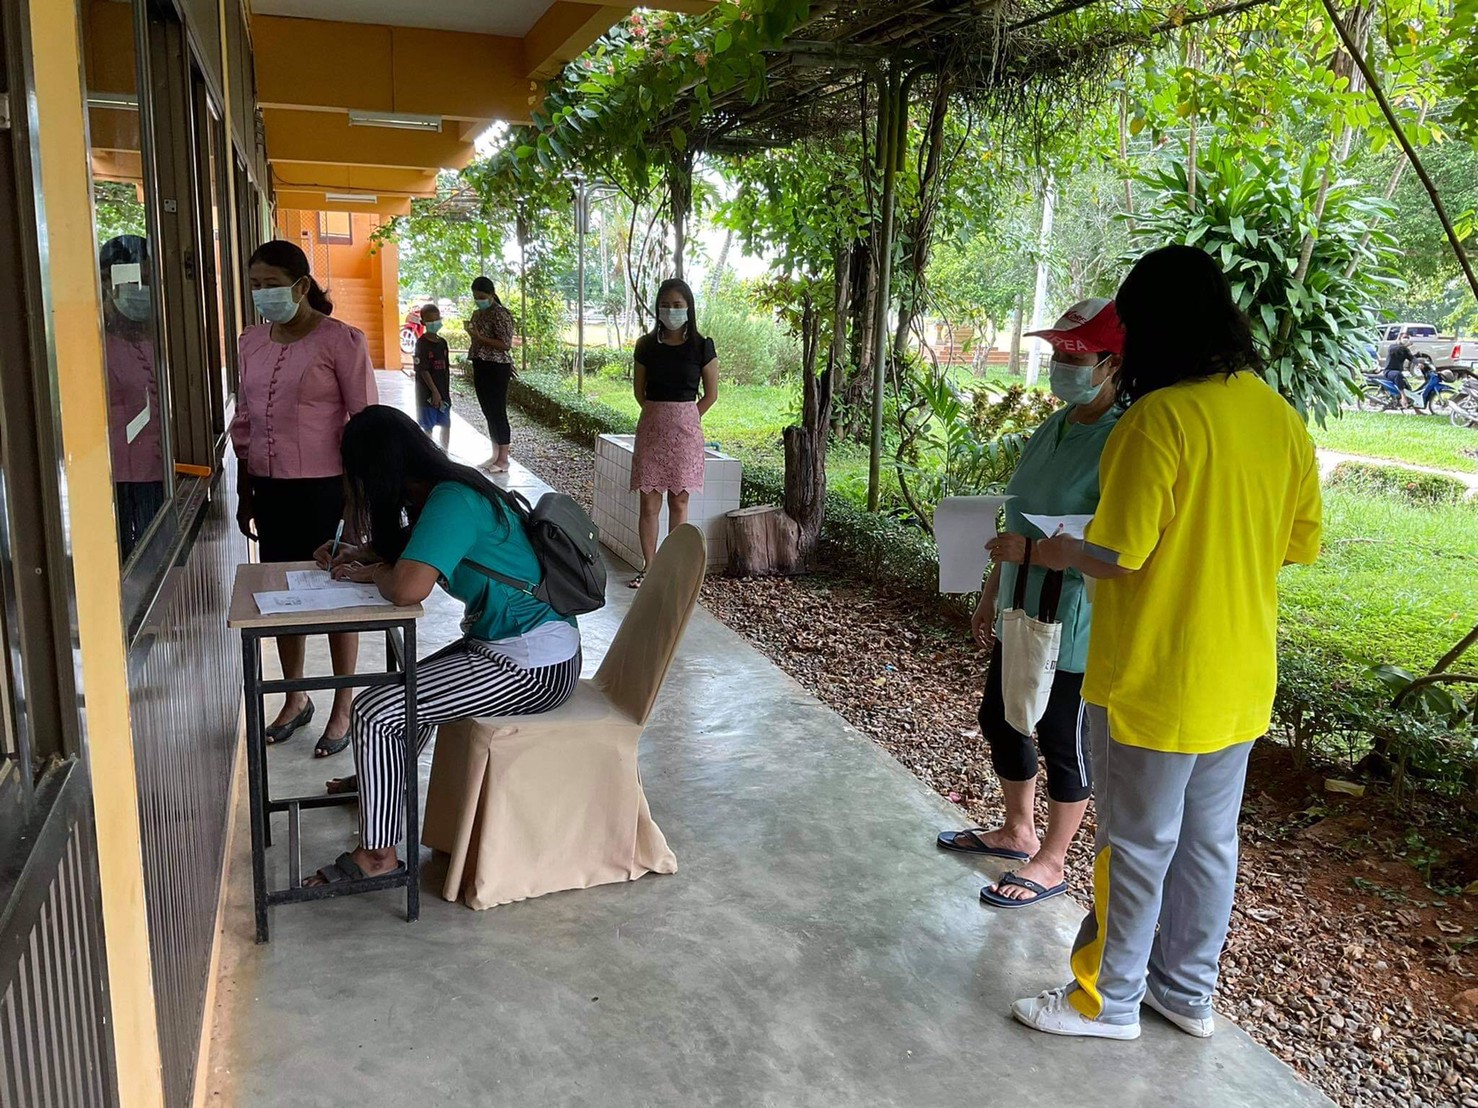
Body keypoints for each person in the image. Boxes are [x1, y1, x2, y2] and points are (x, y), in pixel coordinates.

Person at [1011, 245, 1322, 1041]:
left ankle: (1105, 1000)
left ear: (1154, 328)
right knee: (1210, 845)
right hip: (1239, 677)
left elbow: (1119, 555)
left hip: (1153, 678)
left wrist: (1060, 551)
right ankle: (1186, 994)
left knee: (1134, 845)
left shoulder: (1159, 419)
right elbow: (1296, 544)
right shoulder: (1281, 419)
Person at [306, 405, 581, 885]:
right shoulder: (445, 491)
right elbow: (415, 551)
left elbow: (408, 588)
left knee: (375, 711)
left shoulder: (452, 500)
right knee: (403, 691)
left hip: (534, 665)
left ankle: (377, 857)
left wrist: (377, 573)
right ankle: (380, 782)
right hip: (511, 647)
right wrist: (364, 554)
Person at [936, 298, 1124, 909]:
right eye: (1058, 351)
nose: (1062, 363)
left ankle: (1053, 859)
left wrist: (1037, 552)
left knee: (1061, 734)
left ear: (1114, 363)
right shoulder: (1056, 425)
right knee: (1002, 716)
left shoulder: (1123, 437)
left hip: (1074, 617)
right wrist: (991, 593)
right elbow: (1017, 522)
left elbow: (1116, 545)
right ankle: (1018, 830)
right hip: (1021, 605)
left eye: (1077, 354)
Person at [233, 240, 377, 758]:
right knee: (279, 595)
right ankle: (296, 697)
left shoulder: (342, 341)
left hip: (327, 489)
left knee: (336, 593)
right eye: (255, 285)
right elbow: (245, 419)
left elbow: (367, 425)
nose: (262, 294)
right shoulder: (251, 341)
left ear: (300, 285)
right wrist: (245, 488)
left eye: (271, 284)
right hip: (269, 488)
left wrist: (358, 500)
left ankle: (343, 703)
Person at [629, 278, 719, 588]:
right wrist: (660, 415)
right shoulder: (645, 345)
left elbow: (711, 395)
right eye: (665, 305)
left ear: (689, 308)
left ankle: (672, 571)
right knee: (649, 503)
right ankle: (650, 568)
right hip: (651, 431)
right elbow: (639, 392)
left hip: (686, 434)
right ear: (657, 308)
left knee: (679, 503)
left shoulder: (702, 346)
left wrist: (686, 417)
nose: (671, 310)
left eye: (678, 305)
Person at [100, 234, 165, 561]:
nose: (143, 289)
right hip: (117, 480)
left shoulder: (159, 337)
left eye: (149, 281)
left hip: (160, 474)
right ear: (108, 281)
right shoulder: (96, 345)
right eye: (136, 280)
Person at [465, 276, 516, 472]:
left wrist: (480, 337)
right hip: (480, 363)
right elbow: (478, 338)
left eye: (481, 297)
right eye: (475, 297)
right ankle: (495, 454)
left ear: (491, 294)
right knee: (488, 410)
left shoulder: (501, 314)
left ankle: (503, 459)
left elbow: (505, 344)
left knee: (498, 411)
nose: (478, 300)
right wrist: (473, 334)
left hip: (496, 367)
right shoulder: (478, 314)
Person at [413, 302, 452, 451]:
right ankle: (429, 456)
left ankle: (444, 454)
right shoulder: (421, 344)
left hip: (443, 394)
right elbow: (423, 370)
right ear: (423, 322)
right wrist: (434, 392)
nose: (434, 323)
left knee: (445, 425)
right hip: (426, 395)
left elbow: (446, 369)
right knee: (427, 428)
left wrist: (443, 393)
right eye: (430, 321)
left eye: (437, 319)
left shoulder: (442, 343)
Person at [1383, 330, 1415, 407]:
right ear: (1400, 338)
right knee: (1398, 374)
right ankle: (1403, 397)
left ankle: (1415, 407)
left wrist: (1419, 363)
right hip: (1389, 372)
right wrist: (1405, 346)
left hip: (1398, 373)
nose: (1406, 339)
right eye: (1404, 337)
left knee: (1408, 388)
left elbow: (1412, 358)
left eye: (1407, 338)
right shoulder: (1393, 346)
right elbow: (1394, 350)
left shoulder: (1405, 350)